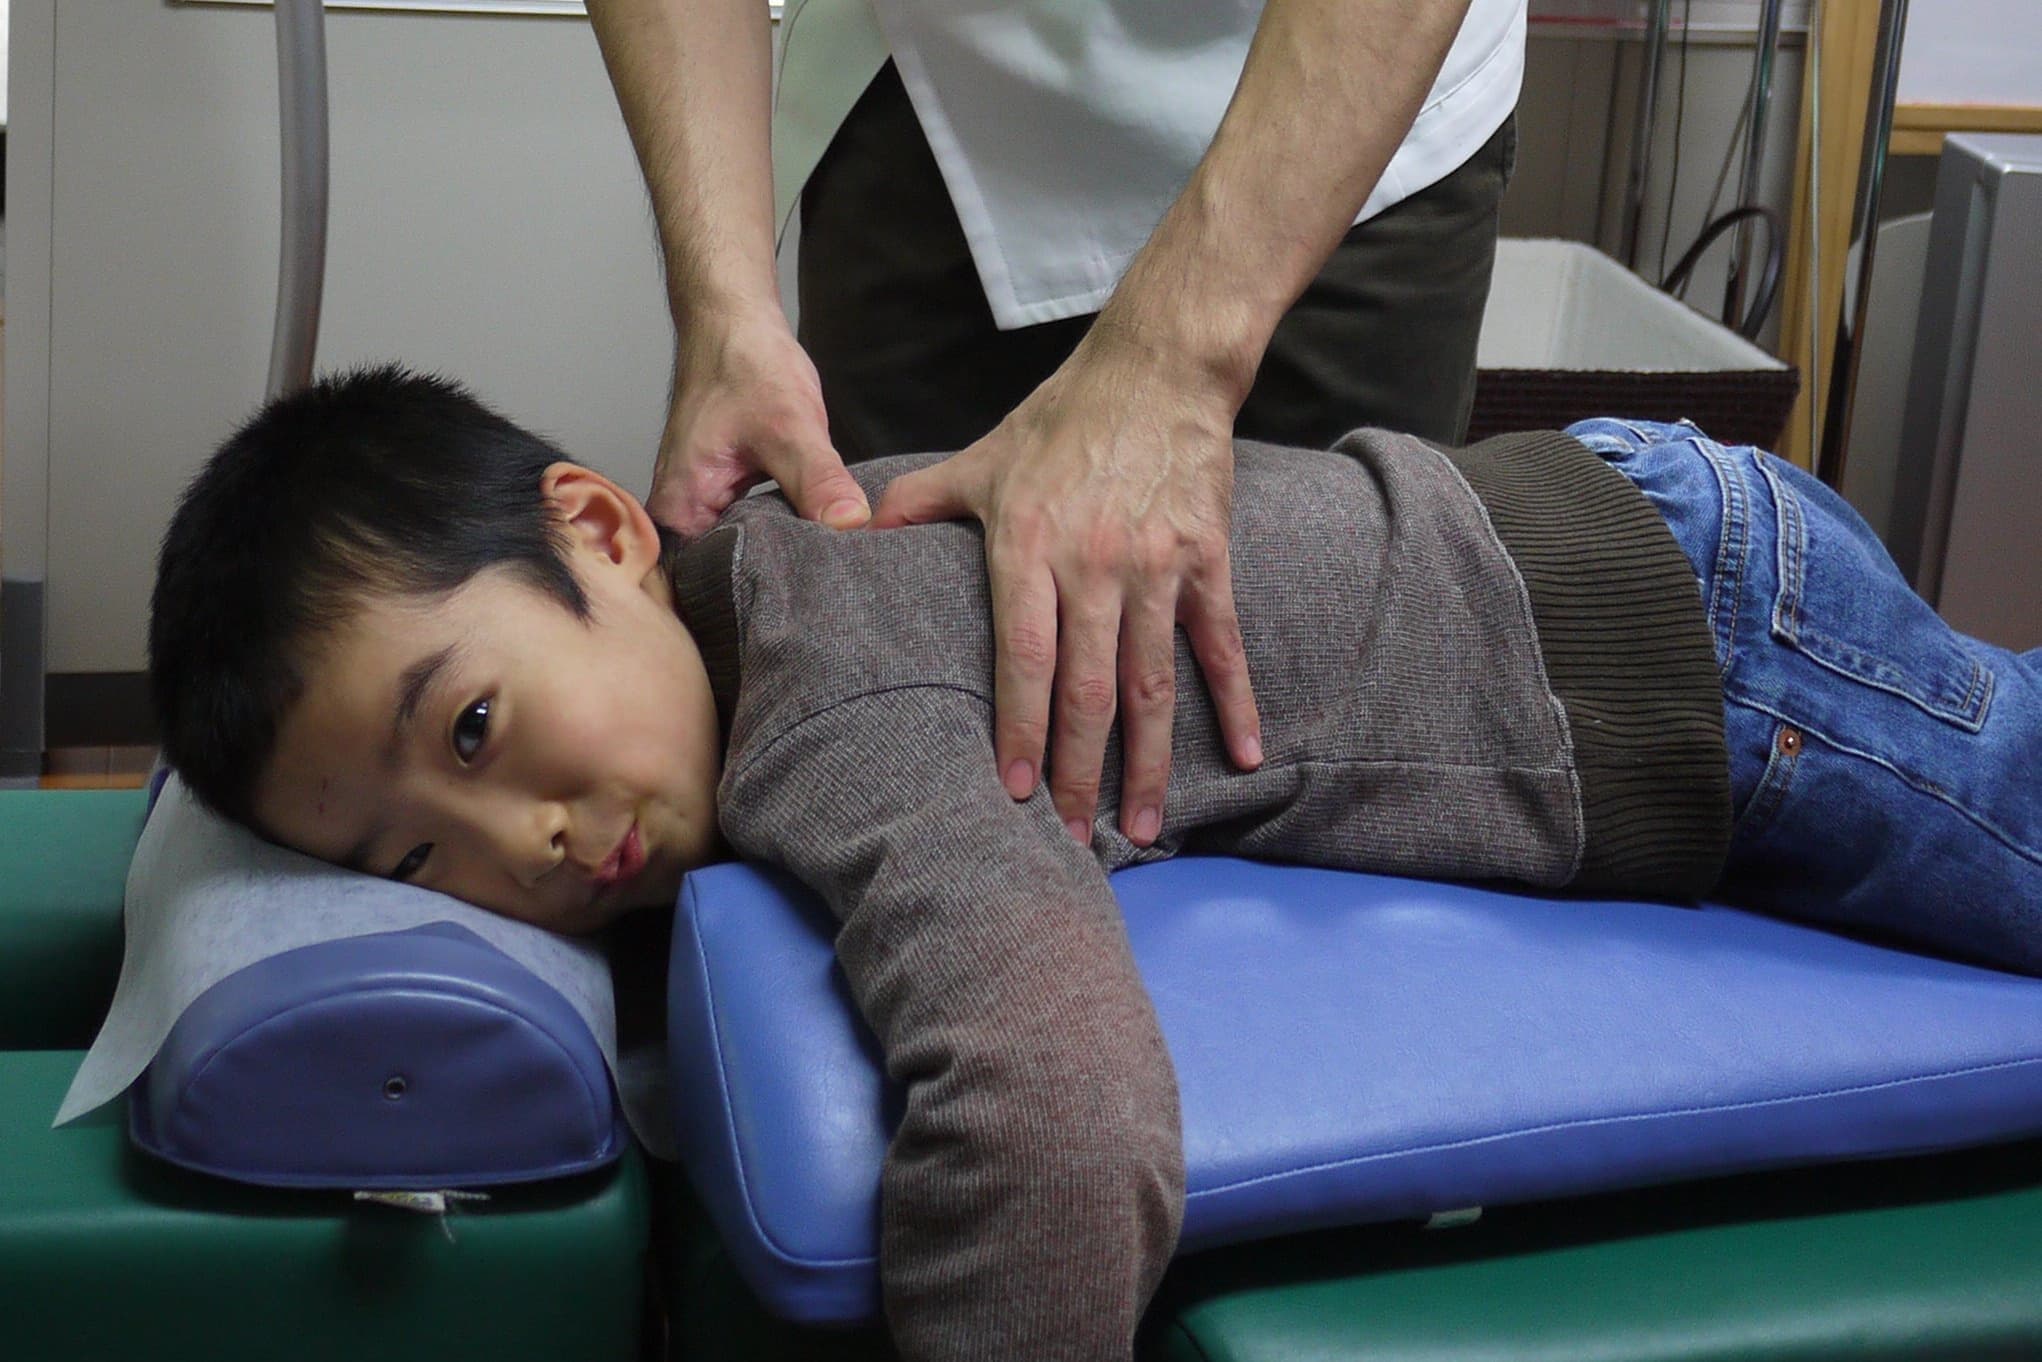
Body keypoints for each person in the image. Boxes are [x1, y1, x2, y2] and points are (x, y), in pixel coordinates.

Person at [149, 368, 2040, 1362]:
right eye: (421, 858)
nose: (531, 850)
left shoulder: (836, 706)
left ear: (602, 528)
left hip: (1711, 651)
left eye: (477, 730)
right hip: (1623, 544)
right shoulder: (762, 601)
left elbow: (1057, 1104)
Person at [582, 0, 1526, 880]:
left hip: (1338, 93)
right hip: (930, 84)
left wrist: (1177, 365)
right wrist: (722, 309)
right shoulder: (800, 648)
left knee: (1312, 744)